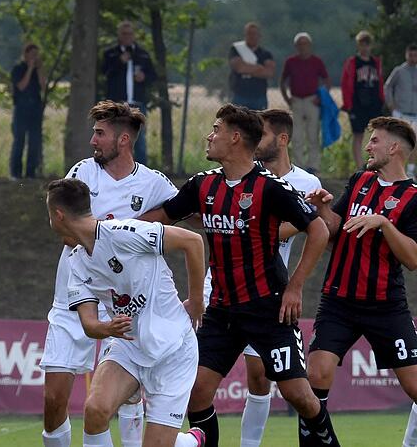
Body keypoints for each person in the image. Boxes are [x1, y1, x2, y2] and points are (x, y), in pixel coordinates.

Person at [142, 104, 339, 447]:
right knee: (196, 391)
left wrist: (295, 287)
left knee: (300, 396)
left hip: (269, 309)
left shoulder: (271, 187)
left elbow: (319, 231)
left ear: (234, 138)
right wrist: (108, 231)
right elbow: (161, 216)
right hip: (221, 310)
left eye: (215, 129)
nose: (209, 135)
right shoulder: (201, 185)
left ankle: (326, 440)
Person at [39, 100, 178, 447]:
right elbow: (69, 230)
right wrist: (107, 236)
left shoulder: (152, 183)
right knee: (54, 398)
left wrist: (139, 226)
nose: (93, 141)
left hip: (123, 303)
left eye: (100, 133)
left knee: (124, 395)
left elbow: (182, 214)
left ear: (124, 140)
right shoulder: (81, 173)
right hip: (73, 298)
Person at [46, 178, 206, 447]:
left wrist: (197, 300)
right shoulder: (76, 263)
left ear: (58, 215)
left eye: (49, 215)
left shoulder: (123, 231)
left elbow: (193, 241)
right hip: (128, 348)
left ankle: (188, 442)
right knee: (95, 410)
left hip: (174, 351)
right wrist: (106, 329)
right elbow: (88, 323)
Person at [208, 109, 320, 447]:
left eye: (266, 135)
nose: (258, 143)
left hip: (267, 288)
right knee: (199, 381)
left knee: (261, 377)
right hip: (224, 289)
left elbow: (316, 229)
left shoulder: (303, 184)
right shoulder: (236, 176)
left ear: (282, 139)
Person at [302, 117, 417, 447]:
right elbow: (335, 231)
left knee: (414, 387)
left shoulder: (413, 198)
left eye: (375, 141)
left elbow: (412, 259)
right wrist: (324, 210)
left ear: (393, 148)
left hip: (385, 306)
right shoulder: (360, 180)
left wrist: (383, 222)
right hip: (338, 301)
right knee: (316, 375)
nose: (368, 146)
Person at [101, 21, 157, 165]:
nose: (127, 37)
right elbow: (105, 73)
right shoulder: (111, 54)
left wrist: (144, 77)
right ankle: (113, 170)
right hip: (116, 104)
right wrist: (120, 61)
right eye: (124, 34)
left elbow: (153, 76)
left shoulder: (142, 54)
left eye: (130, 34)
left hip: (137, 103)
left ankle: (141, 174)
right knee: (114, 138)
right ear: (119, 35)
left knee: (139, 140)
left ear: (134, 35)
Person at [279, 32, 330, 173]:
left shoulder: (316, 61)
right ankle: (298, 165)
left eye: (305, 44)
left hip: (312, 100)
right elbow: (283, 81)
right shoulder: (291, 62)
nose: (303, 47)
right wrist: (287, 98)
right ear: (296, 46)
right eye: (300, 44)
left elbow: (326, 80)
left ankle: (314, 166)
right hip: (296, 100)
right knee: (296, 135)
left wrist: (321, 97)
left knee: (313, 134)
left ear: (310, 45)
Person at [340, 30, 385, 169]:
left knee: (377, 135)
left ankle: (375, 163)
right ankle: (360, 166)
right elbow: (346, 83)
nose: (365, 48)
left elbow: (380, 81)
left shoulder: (375, 62)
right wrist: (348, 104)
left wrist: (381, 99)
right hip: (357, 103)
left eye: (367, 45)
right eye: (362, 45)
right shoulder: (353, 62)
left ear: (370, 46)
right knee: (358, 135)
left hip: (373, 103)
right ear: (358, 46)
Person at [10, 43, 46, 179]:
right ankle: (16, 173)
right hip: (21, 108)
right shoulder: (18, 69)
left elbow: (43, 86)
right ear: (25, 55)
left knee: (34, 141)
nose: (34, 57)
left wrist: (39, 69)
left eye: (36, 55)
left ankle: (31, 172)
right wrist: (30, 68)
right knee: (19, 140)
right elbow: (21, 86)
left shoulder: (38, 70)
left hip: (35, 109)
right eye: (32, 55)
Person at [384, 43, 417, 177]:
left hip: (415, 114)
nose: (413, 58)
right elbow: (387, 87)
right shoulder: (399, 70)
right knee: (398, 143)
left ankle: (410, 171)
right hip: (401, 113)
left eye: (415, 55)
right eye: (410, 55)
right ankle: (395, 170)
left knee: (414, 143)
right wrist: (391, 106)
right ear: (406, 54)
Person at [228, 22, 275, 110]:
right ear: (245, 35)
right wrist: (259, 68)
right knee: (238, 122)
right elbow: (239, 68)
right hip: (239, 95)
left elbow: (269, 73)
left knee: (259, 122)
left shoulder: (266, 54)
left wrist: (247, 68)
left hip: (259, 96)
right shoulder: (236, 50)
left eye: (254, 34)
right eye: (249, 33)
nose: (252, 36)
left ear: (259, 36)